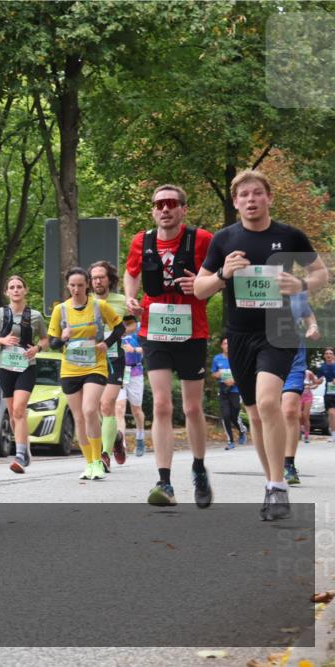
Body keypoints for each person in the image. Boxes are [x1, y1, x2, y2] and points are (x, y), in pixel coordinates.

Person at [194, 169, 329, 521]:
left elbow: (321, 274)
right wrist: (223, 274)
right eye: (244, 195)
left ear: (268, 197)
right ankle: (271, 485)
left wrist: (299, 283)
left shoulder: (288, 235)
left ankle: (278, 485)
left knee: (269, 401)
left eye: (257, 193)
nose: (250, 200)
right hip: (239, 334)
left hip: (278, 330)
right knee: (254, 412)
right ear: (236, 202)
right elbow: (199, 289)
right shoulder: (224, 239)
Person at [124, 184, 214, 508]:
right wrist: (130, 298)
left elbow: (218, 277)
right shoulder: (142, 240)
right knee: (161, 405)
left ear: (183, 209)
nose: (165, 209)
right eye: (159, 204)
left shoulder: (202, 239)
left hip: (192, 331)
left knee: (191, 407)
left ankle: (199, 468)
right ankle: (164, 482)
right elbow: (131, 272)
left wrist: (202, 286)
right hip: (154, 329)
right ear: (153, 210)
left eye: (171, 203)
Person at [48, 267, 125, 481]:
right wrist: (63, 338)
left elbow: (120, 328)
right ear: (67, 286)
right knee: (79, 417)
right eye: (72, 285)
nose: (76, 289)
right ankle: (89, 463)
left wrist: (105, 343)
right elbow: (52, 344)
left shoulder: (99, 306)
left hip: (95, 366)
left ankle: (99, 461)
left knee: (90, 410)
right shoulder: (60, 310)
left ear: (87, 285)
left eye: (80, 285)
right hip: (70, 368)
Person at [0, 275, 49, 474]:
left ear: (25, 290)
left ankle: (19, 455)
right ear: (6, 292)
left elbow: (45, 339)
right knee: (13, 414)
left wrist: (37, 348)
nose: (16, 290)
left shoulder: (35, 316)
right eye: (12, 287)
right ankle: (24, 448)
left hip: (27, 366)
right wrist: (2, 341)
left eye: (19, 286)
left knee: (20, 409)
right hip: (6, 367)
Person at [89, 260, 129, 470]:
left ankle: (104, 455)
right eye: (94, 277)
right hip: (90, 360)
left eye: (101, 277)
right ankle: (115, 438)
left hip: (114, 358)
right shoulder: (84, 302)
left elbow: (131, 324)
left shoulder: (121, 301)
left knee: (107, 404)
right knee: (93, 407)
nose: (97, 281)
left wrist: (116, 335)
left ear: (109, 279)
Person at [280, 291, 322, 485]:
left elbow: (308, 316)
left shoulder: (298, 293)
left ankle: (288, 464)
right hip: (264, 357)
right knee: (266, 412)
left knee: (290, 411)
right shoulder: (258, 285)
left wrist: (313, 327)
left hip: (294, 360)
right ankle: (273, 458)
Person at [211, 337, 249, 450]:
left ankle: (242, 431)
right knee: (226, 415)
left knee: (234, 415)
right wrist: (220, 375)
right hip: (223, 391)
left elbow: (243, 372)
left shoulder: (237, 357)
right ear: (222, 346)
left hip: (236, 390)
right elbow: (213, 373)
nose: (227, 345)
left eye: (229, 343)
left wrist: (234, 380)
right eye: (225, 343)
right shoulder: (217, 358)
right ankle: (230, 441)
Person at [117, 321, 148, 456]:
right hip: (119, 373)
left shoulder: (138, 327)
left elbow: (149, 347)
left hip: (135, 372)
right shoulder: (114, 325)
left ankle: (140, 438)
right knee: (119, 408)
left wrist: (134, 350)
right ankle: (121, 445)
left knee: (136, 410)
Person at [316, 347, 335, 444]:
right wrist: (314, 383)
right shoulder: (322, 368)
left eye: (330, 353)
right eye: (327, 353)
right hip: (329, 393)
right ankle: (333, 435)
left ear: (333, 355)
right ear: (324, 356)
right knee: (332, 414)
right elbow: (318, 380)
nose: (328, 355)